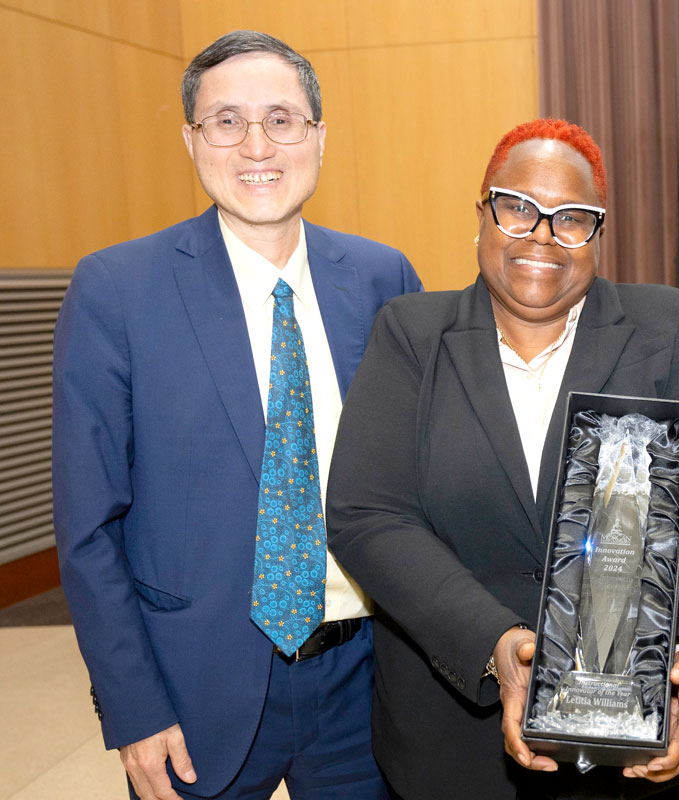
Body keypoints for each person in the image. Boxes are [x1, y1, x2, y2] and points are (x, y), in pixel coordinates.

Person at [325, 118, 679, 799]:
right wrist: (496, 641)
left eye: (571, 219)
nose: (541, 236)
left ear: (598, 235)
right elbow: (367, 515)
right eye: (518, 208)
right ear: (483, 213)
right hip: (456, 742)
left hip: (642, 734)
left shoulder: (665, 327)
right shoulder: (411, 334)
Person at [52, 30, 421, 799]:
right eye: (226, 121)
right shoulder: (117, 290)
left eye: (282, 119)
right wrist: (132, 707)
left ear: (319, 137)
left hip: (365, 680)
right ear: (191, 141)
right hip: (191, 693)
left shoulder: (385, 279)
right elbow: (88, 527)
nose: (257, 144)